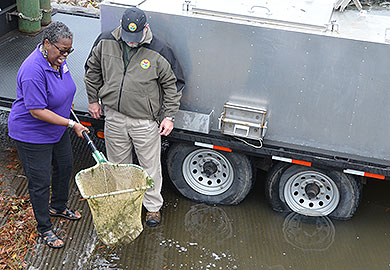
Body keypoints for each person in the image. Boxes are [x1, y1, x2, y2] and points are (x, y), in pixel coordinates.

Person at [85, 7, 185, 227]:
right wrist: (93, 100)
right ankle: (125, 205)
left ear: (145, 29)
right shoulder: (105, 41)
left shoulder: (160, 50)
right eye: (128, 37)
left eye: (136, 37)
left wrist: (169, 116)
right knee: (118, 166)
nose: (132, 42)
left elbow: (173, 84)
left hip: (145, 121)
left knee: (150, 166)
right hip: (114, 116)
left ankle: (152, 208)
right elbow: (92, 70)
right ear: (121, 26)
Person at [8, 21, 89, 248]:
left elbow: (63, 85)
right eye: (62, 50)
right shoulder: (32, 70)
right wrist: (72, 123)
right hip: (32, 134)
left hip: (56, 128)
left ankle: (59, 207)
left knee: (65, 166)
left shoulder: (57, 61)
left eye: (69, 50)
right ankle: (44, 228)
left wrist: (65, 101)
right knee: (40, 182)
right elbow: (37, 111)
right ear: (46, 44)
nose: (65, 56)